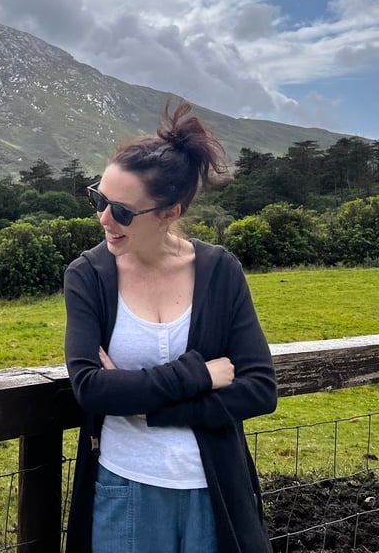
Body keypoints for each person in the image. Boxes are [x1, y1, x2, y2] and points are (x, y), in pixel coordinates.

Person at [63, 101, 278, 553]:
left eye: (121, 211)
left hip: (214, 491)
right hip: (125, 488)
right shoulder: (87, 276)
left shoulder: (221, 272)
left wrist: (152, 408)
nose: (103, 219)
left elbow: (259, 389)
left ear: (168, 212)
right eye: (98, 199)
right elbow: (91, 388)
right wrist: (199, 375)